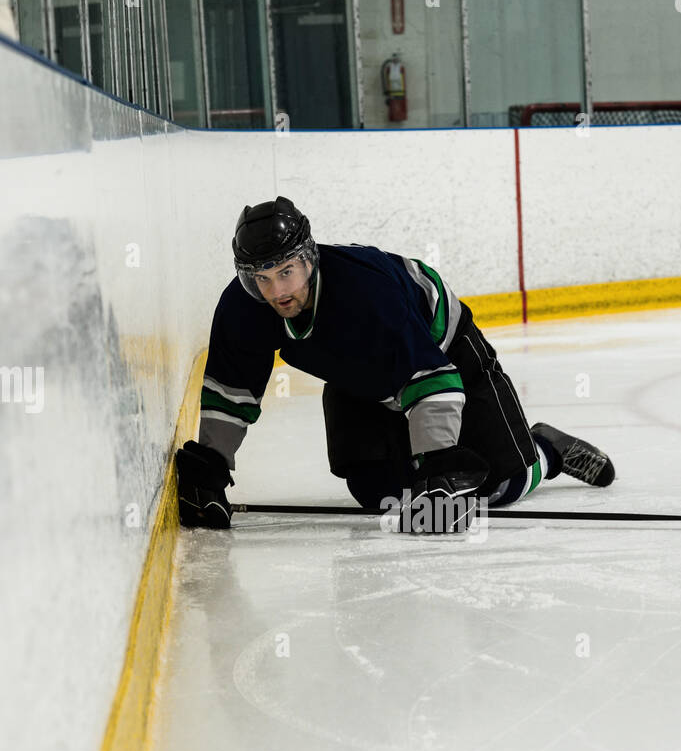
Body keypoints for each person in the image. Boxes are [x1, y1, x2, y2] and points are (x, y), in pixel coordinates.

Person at [176, 197, 615, 534]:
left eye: (286, 272)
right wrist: (213, 465)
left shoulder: (365, 295)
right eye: (261, 278)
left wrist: (440, 465)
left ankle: (547, 450)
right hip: (358, 379)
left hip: (447, 356)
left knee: (498, 483)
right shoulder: (242, 306)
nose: (276, 291)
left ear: (309, 259)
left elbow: (430, 378)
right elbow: (232, 390)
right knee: (380, 495)